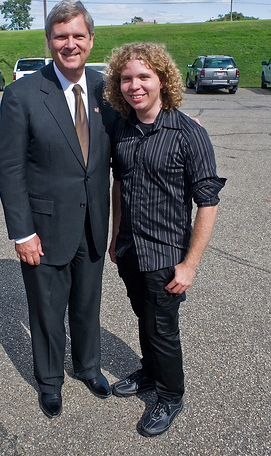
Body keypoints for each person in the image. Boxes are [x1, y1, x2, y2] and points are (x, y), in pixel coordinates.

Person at [0, 0, 117, 419]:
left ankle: (87, 366)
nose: (70, 44)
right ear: (49, 42)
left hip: (93, 223)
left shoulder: (106, 88)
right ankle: (50, 381)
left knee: (87, 304)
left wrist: (177, 118)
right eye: (61, 36)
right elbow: (9, 169)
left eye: (77, 36)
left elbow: (132, 136)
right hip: (44, 229)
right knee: (47, 310)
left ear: (91, 40)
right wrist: (22, 233)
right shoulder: (21, 95)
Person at [104, 42, 226, 437]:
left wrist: (190, 265)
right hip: (129, 249)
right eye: (126, 78)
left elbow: (207, 203)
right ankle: (151, 372)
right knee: (145, 318)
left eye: (143, 77)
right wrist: (114, 236)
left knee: (163, 328)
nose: (134, 85)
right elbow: (118, 184)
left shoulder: (188, 133)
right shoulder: (122, 127)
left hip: (165, 255)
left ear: (162, 80)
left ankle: (171, 396)